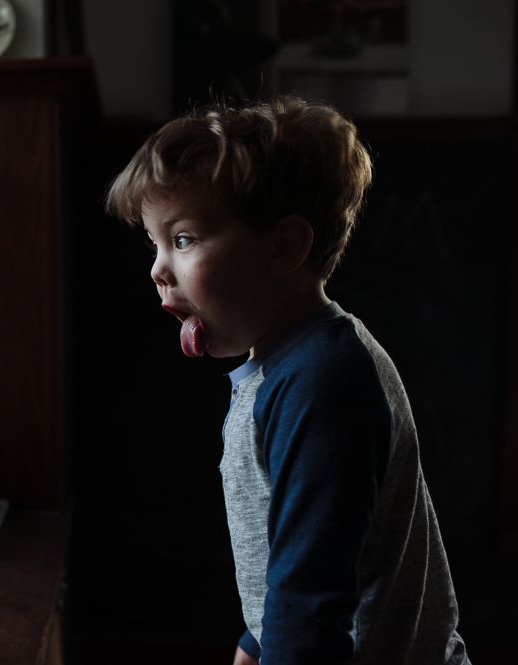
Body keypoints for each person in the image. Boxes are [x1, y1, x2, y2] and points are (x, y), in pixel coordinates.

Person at [105, 96, 470, 665]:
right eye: (155, 242)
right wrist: (255, 643)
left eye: (182, 240)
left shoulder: (323, 384)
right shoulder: (286, 366)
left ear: (283, 246)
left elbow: (311, 605)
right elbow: (299, 553)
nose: (157, 269)